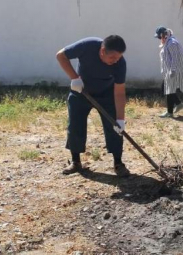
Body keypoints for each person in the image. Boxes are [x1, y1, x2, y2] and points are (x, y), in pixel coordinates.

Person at [56, 35, 130, 177]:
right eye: (113, 58)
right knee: (75, 124)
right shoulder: (87, 46)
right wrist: (75, 78)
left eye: (118, 57)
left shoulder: (120, 63)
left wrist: (120, 119)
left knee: (114, 126)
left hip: (106, 94)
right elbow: (61, 56)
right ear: (102, 51)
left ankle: (118, 163)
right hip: (81, 90)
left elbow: (119, 93)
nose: (116, 61)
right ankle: (76, 162)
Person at [155, 26, 183, 118]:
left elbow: (175, 58)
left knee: (168, 89)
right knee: (166, 89)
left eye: (160, 37)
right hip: (170, 70)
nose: (159, 39)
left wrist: (173, 70)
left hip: (173, 71)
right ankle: (178, 104)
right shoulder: (168, 43)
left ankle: (170, 112)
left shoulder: (172, 43)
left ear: (164, 35)